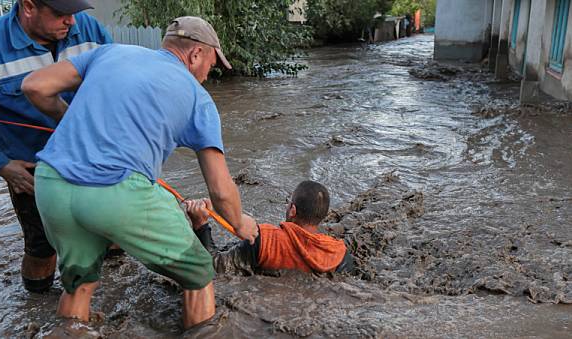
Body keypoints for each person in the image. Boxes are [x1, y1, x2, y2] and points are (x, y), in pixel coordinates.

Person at [21, 16, 258, 328]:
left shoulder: (110, 52)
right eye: (211, 65)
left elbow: (35, 86)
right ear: (196, 54)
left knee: (79, 284)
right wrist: (240, 223)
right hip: (115, 192)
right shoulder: (198, 98)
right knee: (199, 272)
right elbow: (220, 189)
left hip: (51, 183)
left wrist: (68, 119)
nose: (207, 74)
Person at [0, 0, 112, 293]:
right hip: (31, 169)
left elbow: (115, 85)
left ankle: (112, 280)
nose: (73, 22)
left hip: (95, 158)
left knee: (111, 229)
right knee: (42, 248)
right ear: (28, 6)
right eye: (62, 14)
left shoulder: (91, 30)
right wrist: (1, 165)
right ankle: (36, 305)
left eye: (75, 13)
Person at [185, 181, 354, 275]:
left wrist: (200, 225)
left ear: (293, 210)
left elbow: (215, 268)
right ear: (322, 215)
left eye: (289, 203)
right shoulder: (340, 254)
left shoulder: (265, 240)